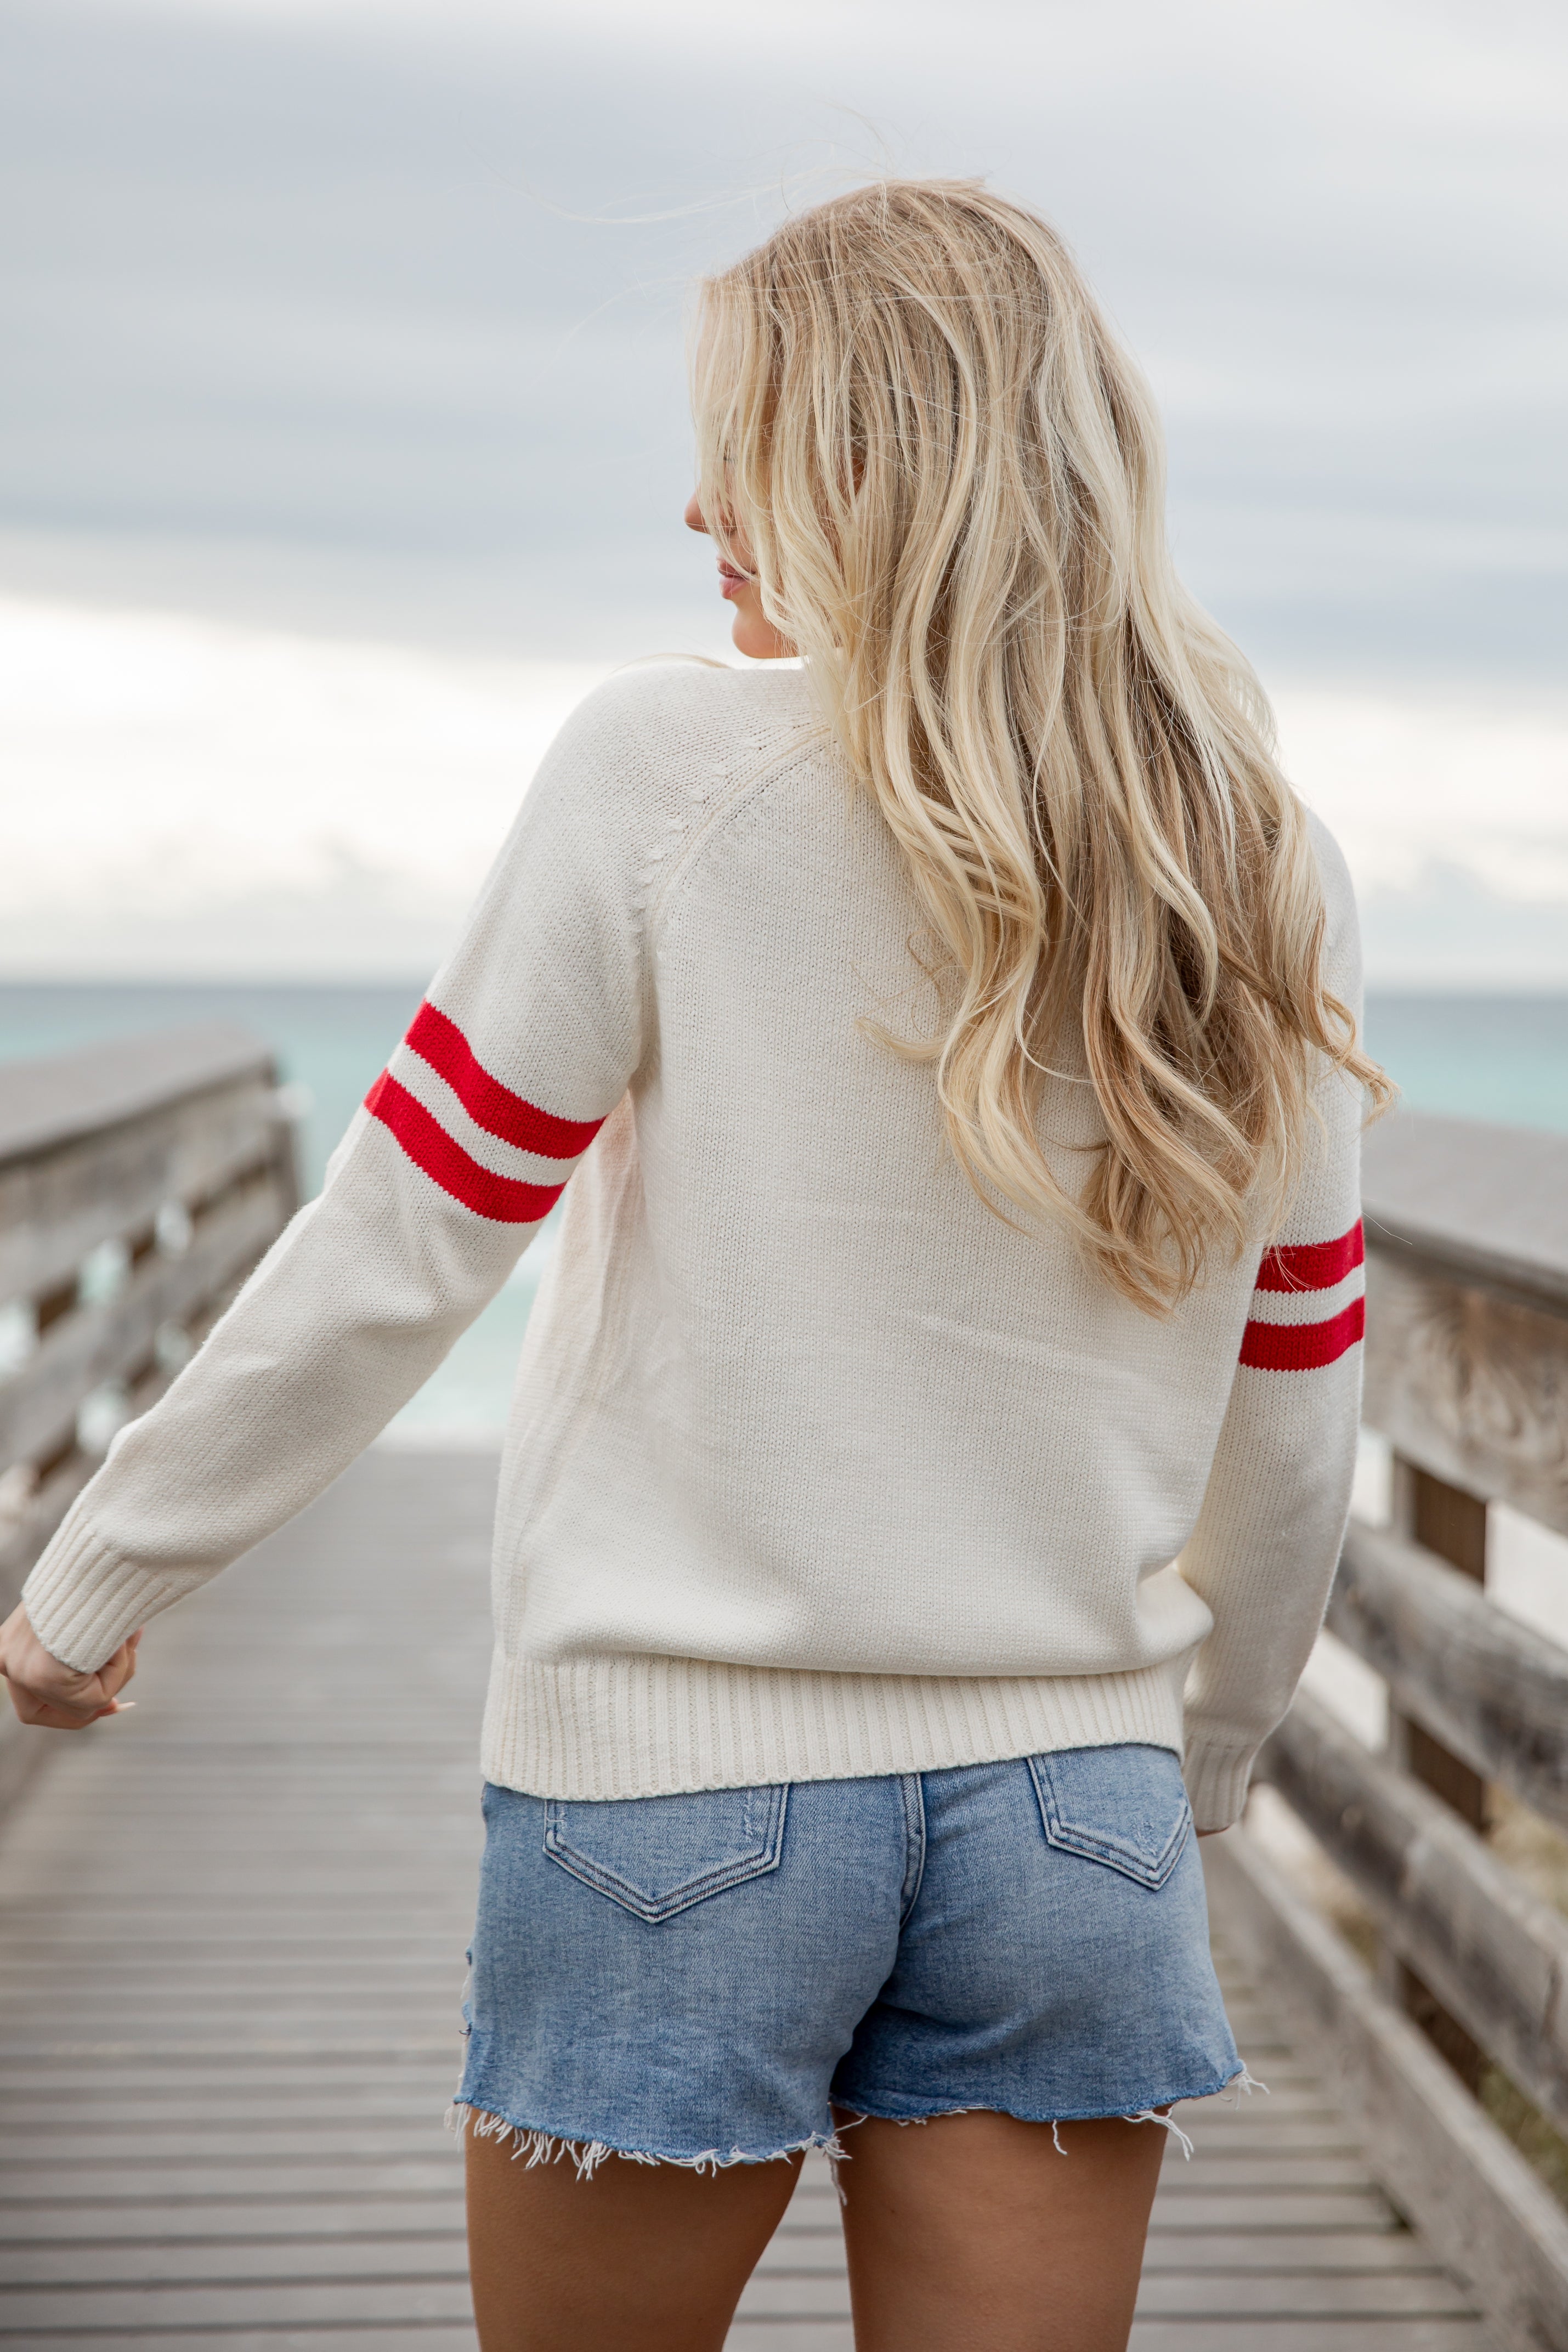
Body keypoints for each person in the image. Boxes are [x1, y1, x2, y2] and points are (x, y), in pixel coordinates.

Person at [1, 179, 1388, 2351]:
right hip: (1075, 1819)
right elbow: (1294, 1398)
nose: (694, 506)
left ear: (863, 457)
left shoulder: (658, 772)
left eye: (737, 440)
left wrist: (98, 1572)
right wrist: (1200, 1749)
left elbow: (410, 1230)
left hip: (671, 1796)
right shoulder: (1249, 844)